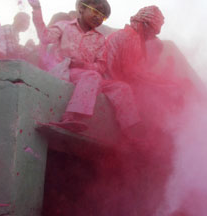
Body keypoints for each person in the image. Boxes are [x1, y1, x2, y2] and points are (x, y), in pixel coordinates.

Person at [28, 0, 141, 137]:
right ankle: (71, 117)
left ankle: (131, 132)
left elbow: (101, 66)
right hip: (65, 71)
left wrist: (83, 65)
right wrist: (36, 8)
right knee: (91, 76)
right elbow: (45, 37)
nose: (99, 17)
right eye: (95, 11)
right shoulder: (64, 27)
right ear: (81, 8)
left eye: (103, 16)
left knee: (122, 87)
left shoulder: (100, 39)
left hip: (88, 77)